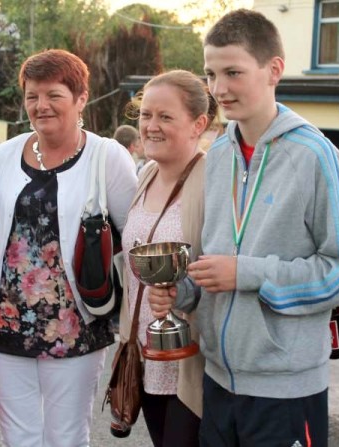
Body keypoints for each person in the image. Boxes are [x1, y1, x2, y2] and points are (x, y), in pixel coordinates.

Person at [148, 9, 339, 446]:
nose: (218, 89)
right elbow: (216, 256)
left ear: (274, 70)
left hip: (284, 390)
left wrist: (247, 273)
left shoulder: (314, 156)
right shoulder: (221, 153)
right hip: (218, 381)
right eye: (210, 73)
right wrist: (183, 290)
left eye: (233, 72)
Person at [0, 49, 138, 447]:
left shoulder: (106, 156)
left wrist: (133, 320)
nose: (41, 105)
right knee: (19, 436)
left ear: (80, 99)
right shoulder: (5, 155)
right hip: (6, 321)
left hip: (75, 323)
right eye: (32, 96)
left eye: (53, 95)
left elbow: (133, 236)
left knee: (66, 436)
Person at [121, 69, 217, 447]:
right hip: (147, 357)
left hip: (192, 362)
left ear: (198, 123)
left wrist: (185, 292)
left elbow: (226, 267)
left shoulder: (212, 180)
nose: (151, 126)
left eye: (165, 117)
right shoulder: (146, 174)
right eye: (146, 115)